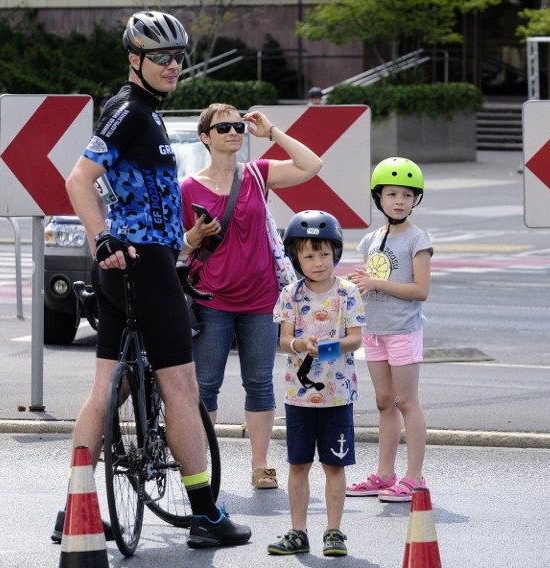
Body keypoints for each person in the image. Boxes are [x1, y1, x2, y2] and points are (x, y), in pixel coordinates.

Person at [63, 11, 250, 549]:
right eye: (161, 57)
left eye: (179, 57)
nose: (173, 65)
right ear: (134, 59)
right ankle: (204, 515)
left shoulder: (139, 112)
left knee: (108, 386)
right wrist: (102, 237)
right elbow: (80, 179)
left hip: (128, 263)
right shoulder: (131, 112)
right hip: (141, 263)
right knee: (182, 388)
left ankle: (73, 506)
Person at [180, 103, 322, 490]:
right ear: (206, 137)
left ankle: (261, 466)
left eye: (236, 125)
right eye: (222, 126)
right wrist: (193, 238)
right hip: (210, 300)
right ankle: (201, 466)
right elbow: (178, 249)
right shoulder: (188, 188)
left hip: (261, 299)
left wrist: (271, 131)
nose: (232, 131)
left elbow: (311, 165)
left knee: (259, 383)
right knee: (205, 385)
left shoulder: (258, 175)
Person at [268, 211, 364, 557]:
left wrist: (327, 347)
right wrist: (298, 345)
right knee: (298, 465)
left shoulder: (348, 292)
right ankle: (298, 531)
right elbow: (284, 339)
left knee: (334, 465)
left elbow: (356, 338)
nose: (318, 262)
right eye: (308, 255)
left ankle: (334, 532)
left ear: (336, 253)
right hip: (299, 397)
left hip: (338, 397)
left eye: (324, 254)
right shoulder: (290, 295)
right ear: (296, 257)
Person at [344, 157, 433, 503]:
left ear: (416, 200)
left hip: (403, 330)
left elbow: (420, 290)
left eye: (408, 196)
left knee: (406, 401)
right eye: (392, 194)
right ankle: (384, 474)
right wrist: (360, 283)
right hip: (374, 329)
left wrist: (377, 282)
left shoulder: (417, 240)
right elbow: (372, 284)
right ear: (378, 197)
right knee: (384, 402)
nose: (399, 201)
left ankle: (414, 478)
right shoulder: (370, 241)